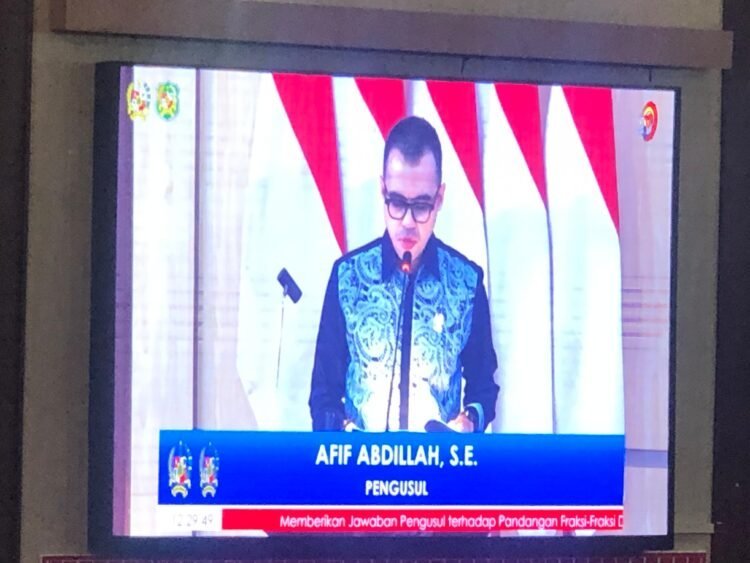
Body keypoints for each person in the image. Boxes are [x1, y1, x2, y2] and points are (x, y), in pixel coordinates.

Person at [309, 116, 498, 432]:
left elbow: (484, 390)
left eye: (421, 205)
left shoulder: (467, 283)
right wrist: (343, 433)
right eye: (397, 203)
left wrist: (468, 423)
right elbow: (322, 396)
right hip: (361, 461)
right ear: (382, 190)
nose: (408, 222)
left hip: (439, 461)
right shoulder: (347, 278)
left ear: (439, 199)